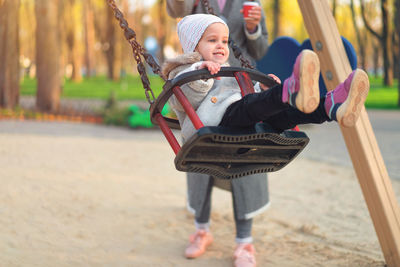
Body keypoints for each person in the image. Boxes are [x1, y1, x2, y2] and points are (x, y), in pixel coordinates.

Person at [162, 14, 370, 267]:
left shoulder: (229, 69)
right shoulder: (183, 71)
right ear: (193, 45)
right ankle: (288, 93)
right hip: (214, 124)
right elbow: (183, 99)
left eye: (224, 41)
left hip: (240, 124)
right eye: (212, 40)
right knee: (252, 106)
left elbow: (245, 95)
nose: (221, 46)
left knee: (280, 114)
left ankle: (330, 106)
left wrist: (264, 89)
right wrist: (202, 74)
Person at [166, 2, 271, 267]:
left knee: (246, 160)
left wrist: (253, 29)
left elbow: (260, 50)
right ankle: (201, 229)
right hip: (202, 84)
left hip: (240, 85)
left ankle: (245, 241)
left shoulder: (252, 3)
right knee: (202, 158)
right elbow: (175, 8)